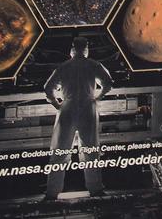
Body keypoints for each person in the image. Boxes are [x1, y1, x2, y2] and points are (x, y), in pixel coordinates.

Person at [44, 37, 113, 200]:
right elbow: (108, 83)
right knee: (90, 150)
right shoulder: (94, 65)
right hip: (88, 108)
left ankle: (52, 192)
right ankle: (95, 189)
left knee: (60, 150)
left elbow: (48, 88)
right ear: (86, 48)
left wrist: (57, 103)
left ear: (72, 49)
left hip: (67, 108)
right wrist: (97, 97)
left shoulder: (63, 67)